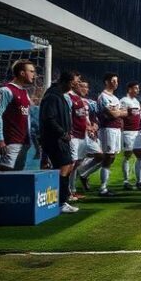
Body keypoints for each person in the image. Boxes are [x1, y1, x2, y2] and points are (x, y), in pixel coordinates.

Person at [39, 70, 80, 213]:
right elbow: (48, 118)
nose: (76, 85)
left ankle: (60, 200)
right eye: (75, 83)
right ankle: (60, 202)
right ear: (67, 82)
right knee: (64, 167)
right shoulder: (52, 96)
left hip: (60, 138)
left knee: (67, 166)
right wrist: (62, 133)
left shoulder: (59, 95)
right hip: (55, 139)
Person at [0, 59, 36, 172]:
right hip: (10, 141)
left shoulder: (25, 93)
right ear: (22, 73)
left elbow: (27, 119)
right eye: (32, 71)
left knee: (17, 176)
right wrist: (0, 139)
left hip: (23, 142)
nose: (34, 75)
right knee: (5, 174)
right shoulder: (5, 90)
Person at [97, 73, 127, 196]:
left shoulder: (115, 98)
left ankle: (103, 185)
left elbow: (125, 113)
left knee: (112, 157)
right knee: (108, 156)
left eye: (117, 81)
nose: (116, 83)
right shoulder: (103, 97)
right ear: (106, 82)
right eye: (113, 81)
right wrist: (118, 112)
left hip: (116, 129)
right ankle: (102, 188)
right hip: (107, 129)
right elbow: (113, 115)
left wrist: (117, 112)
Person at [67, 78, 94, 201]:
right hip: (73, 136)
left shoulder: (80, 100)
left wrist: (90, 127)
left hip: (82, 135)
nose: (85, 89)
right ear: (75, 86)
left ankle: (72, 190)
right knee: (71, 164)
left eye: (86, 87)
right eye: (82, 86)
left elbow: (83, 117)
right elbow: (67, 117)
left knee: (77, 163)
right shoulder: (68, 97)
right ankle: (66, 192)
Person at [120, 81, 141, 190]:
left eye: (138, 88)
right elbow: (120, 116)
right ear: (129, 89)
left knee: (140, 155)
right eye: (135, 88)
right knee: (128, 155)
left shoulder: (136, 101)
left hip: (136, 132)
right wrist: (121, 130)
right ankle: (126, 181)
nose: (137, 90)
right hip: (127, 132)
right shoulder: (124, 101)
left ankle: (140, 181)